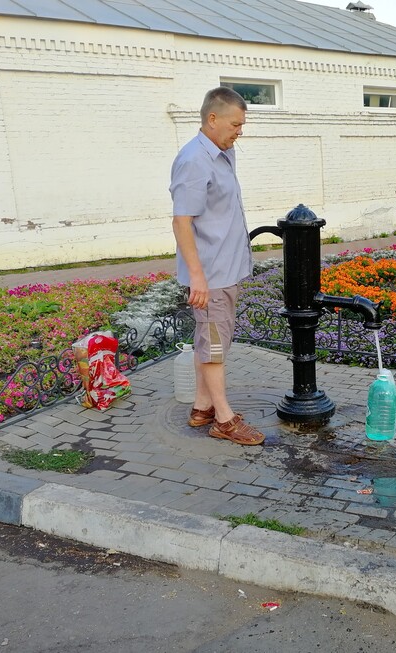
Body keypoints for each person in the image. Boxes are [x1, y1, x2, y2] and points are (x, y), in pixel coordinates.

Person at [169, 87, 265, 446]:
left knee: (209, 341)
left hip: (225, 270)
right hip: (210, 276)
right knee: (213, 346)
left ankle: (202, 406)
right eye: (235, 124)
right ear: (212, 119)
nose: (240, 131)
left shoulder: (222, 152)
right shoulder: (195, 160)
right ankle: (224, 420)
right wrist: (198, 277)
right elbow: (182, 222)